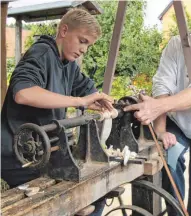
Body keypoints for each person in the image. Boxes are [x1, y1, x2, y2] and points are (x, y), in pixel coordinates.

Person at [1, 9, 113, 216]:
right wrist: (79, 101)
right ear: (64, 30)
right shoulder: (41, 53)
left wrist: (102, 100)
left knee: (98, 192)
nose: (84, 50)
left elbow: (86, 88)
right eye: (82, 41)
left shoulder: (68, 64)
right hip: (19, 156)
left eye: (88, 45)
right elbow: (23, 93)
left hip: (44, 152)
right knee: (77, 201)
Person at [124, 7, 191, 216]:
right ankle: (177, 212)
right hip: (177, 123)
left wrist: (157, 107)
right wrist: (161, 130)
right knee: (170, 164)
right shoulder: (176, 44)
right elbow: (163, 84)